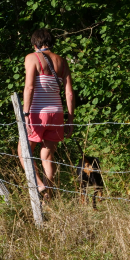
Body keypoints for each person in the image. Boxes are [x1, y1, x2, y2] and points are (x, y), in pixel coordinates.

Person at [18, 28, 75, 195]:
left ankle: (38, 184)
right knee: (48, 157)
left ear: (35, 43)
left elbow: (29, 87)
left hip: (37, 112)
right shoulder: (62, 61)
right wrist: (69, 120)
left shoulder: (32, 58)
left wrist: (26, 113)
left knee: (23, 151)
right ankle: (48, 197)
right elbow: (69, 93)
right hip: (57, 113)